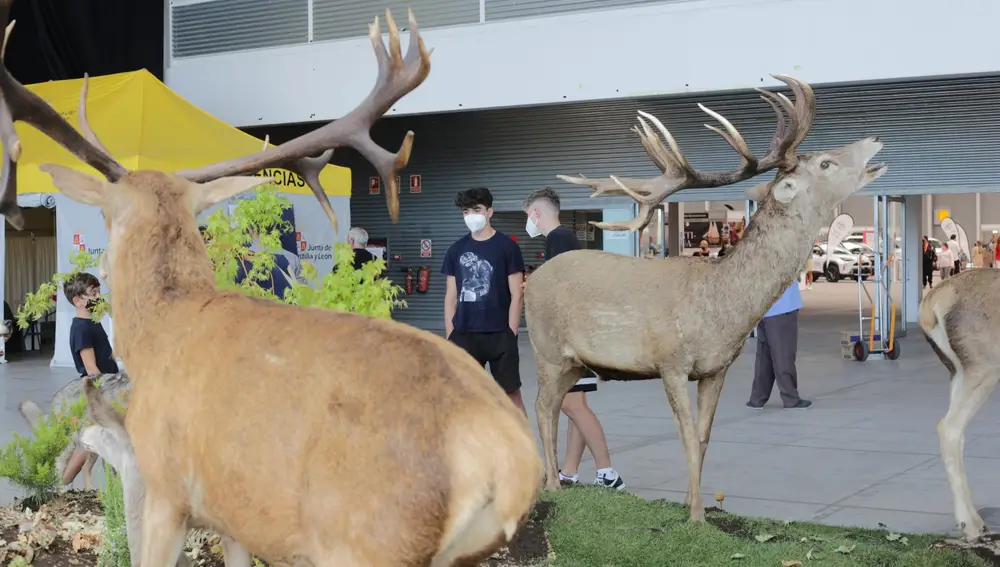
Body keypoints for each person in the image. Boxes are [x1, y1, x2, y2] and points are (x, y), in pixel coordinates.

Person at [522, 187, 625, 490]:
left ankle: (607, 472)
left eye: (528, 215)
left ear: (536, 213)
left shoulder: (559, 239)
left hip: (573, 340)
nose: (529, 221)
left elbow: (564, 293)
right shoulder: (562, 239)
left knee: (571, 407)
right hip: (579, 337)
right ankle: (569, 471)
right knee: (576, 405)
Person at [442, 187, 527, 414]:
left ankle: (523, 448)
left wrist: (511, 332)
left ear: (489, 212)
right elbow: (451, 295)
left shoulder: (507, 247)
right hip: (465, 334)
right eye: (466, 211)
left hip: (500, 334)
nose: (471, 216)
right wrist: (450, 333)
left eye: (477, 209)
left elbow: (517, 293)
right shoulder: (456, 250)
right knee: (462, 397)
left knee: (511, 396)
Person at [64, 272, 120, 485]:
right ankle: (62, 482)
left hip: (105, 389)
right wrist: (108, 394)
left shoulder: (93, 322)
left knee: (95, 441)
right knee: (89, 442)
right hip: (99, 391)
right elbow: (91, 368)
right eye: (93, 294)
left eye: (98, 292)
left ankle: (67, 482)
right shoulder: (81, 329)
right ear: (77, 301)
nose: (99, 298)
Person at [747, 282, 811, 410]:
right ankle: (790, 398)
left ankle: (757, 398)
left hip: (765, 306)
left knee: (764, 358)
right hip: (783, 305)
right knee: (784, 353)